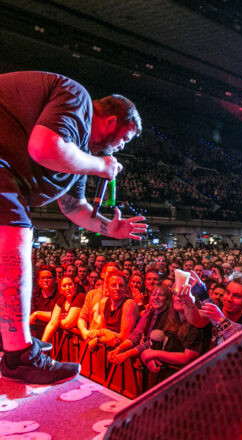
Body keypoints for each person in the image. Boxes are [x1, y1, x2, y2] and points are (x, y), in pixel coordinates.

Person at [0, 71, 146, 384]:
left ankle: (13, 341)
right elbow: (43, 147)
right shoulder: (77, 97)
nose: (121, 147)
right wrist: (101, 166)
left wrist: (110, 229)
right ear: (111, 121)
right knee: (16, 235)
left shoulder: (78, 153)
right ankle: (19, 356)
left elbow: (74, 209)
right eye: (125, 138)